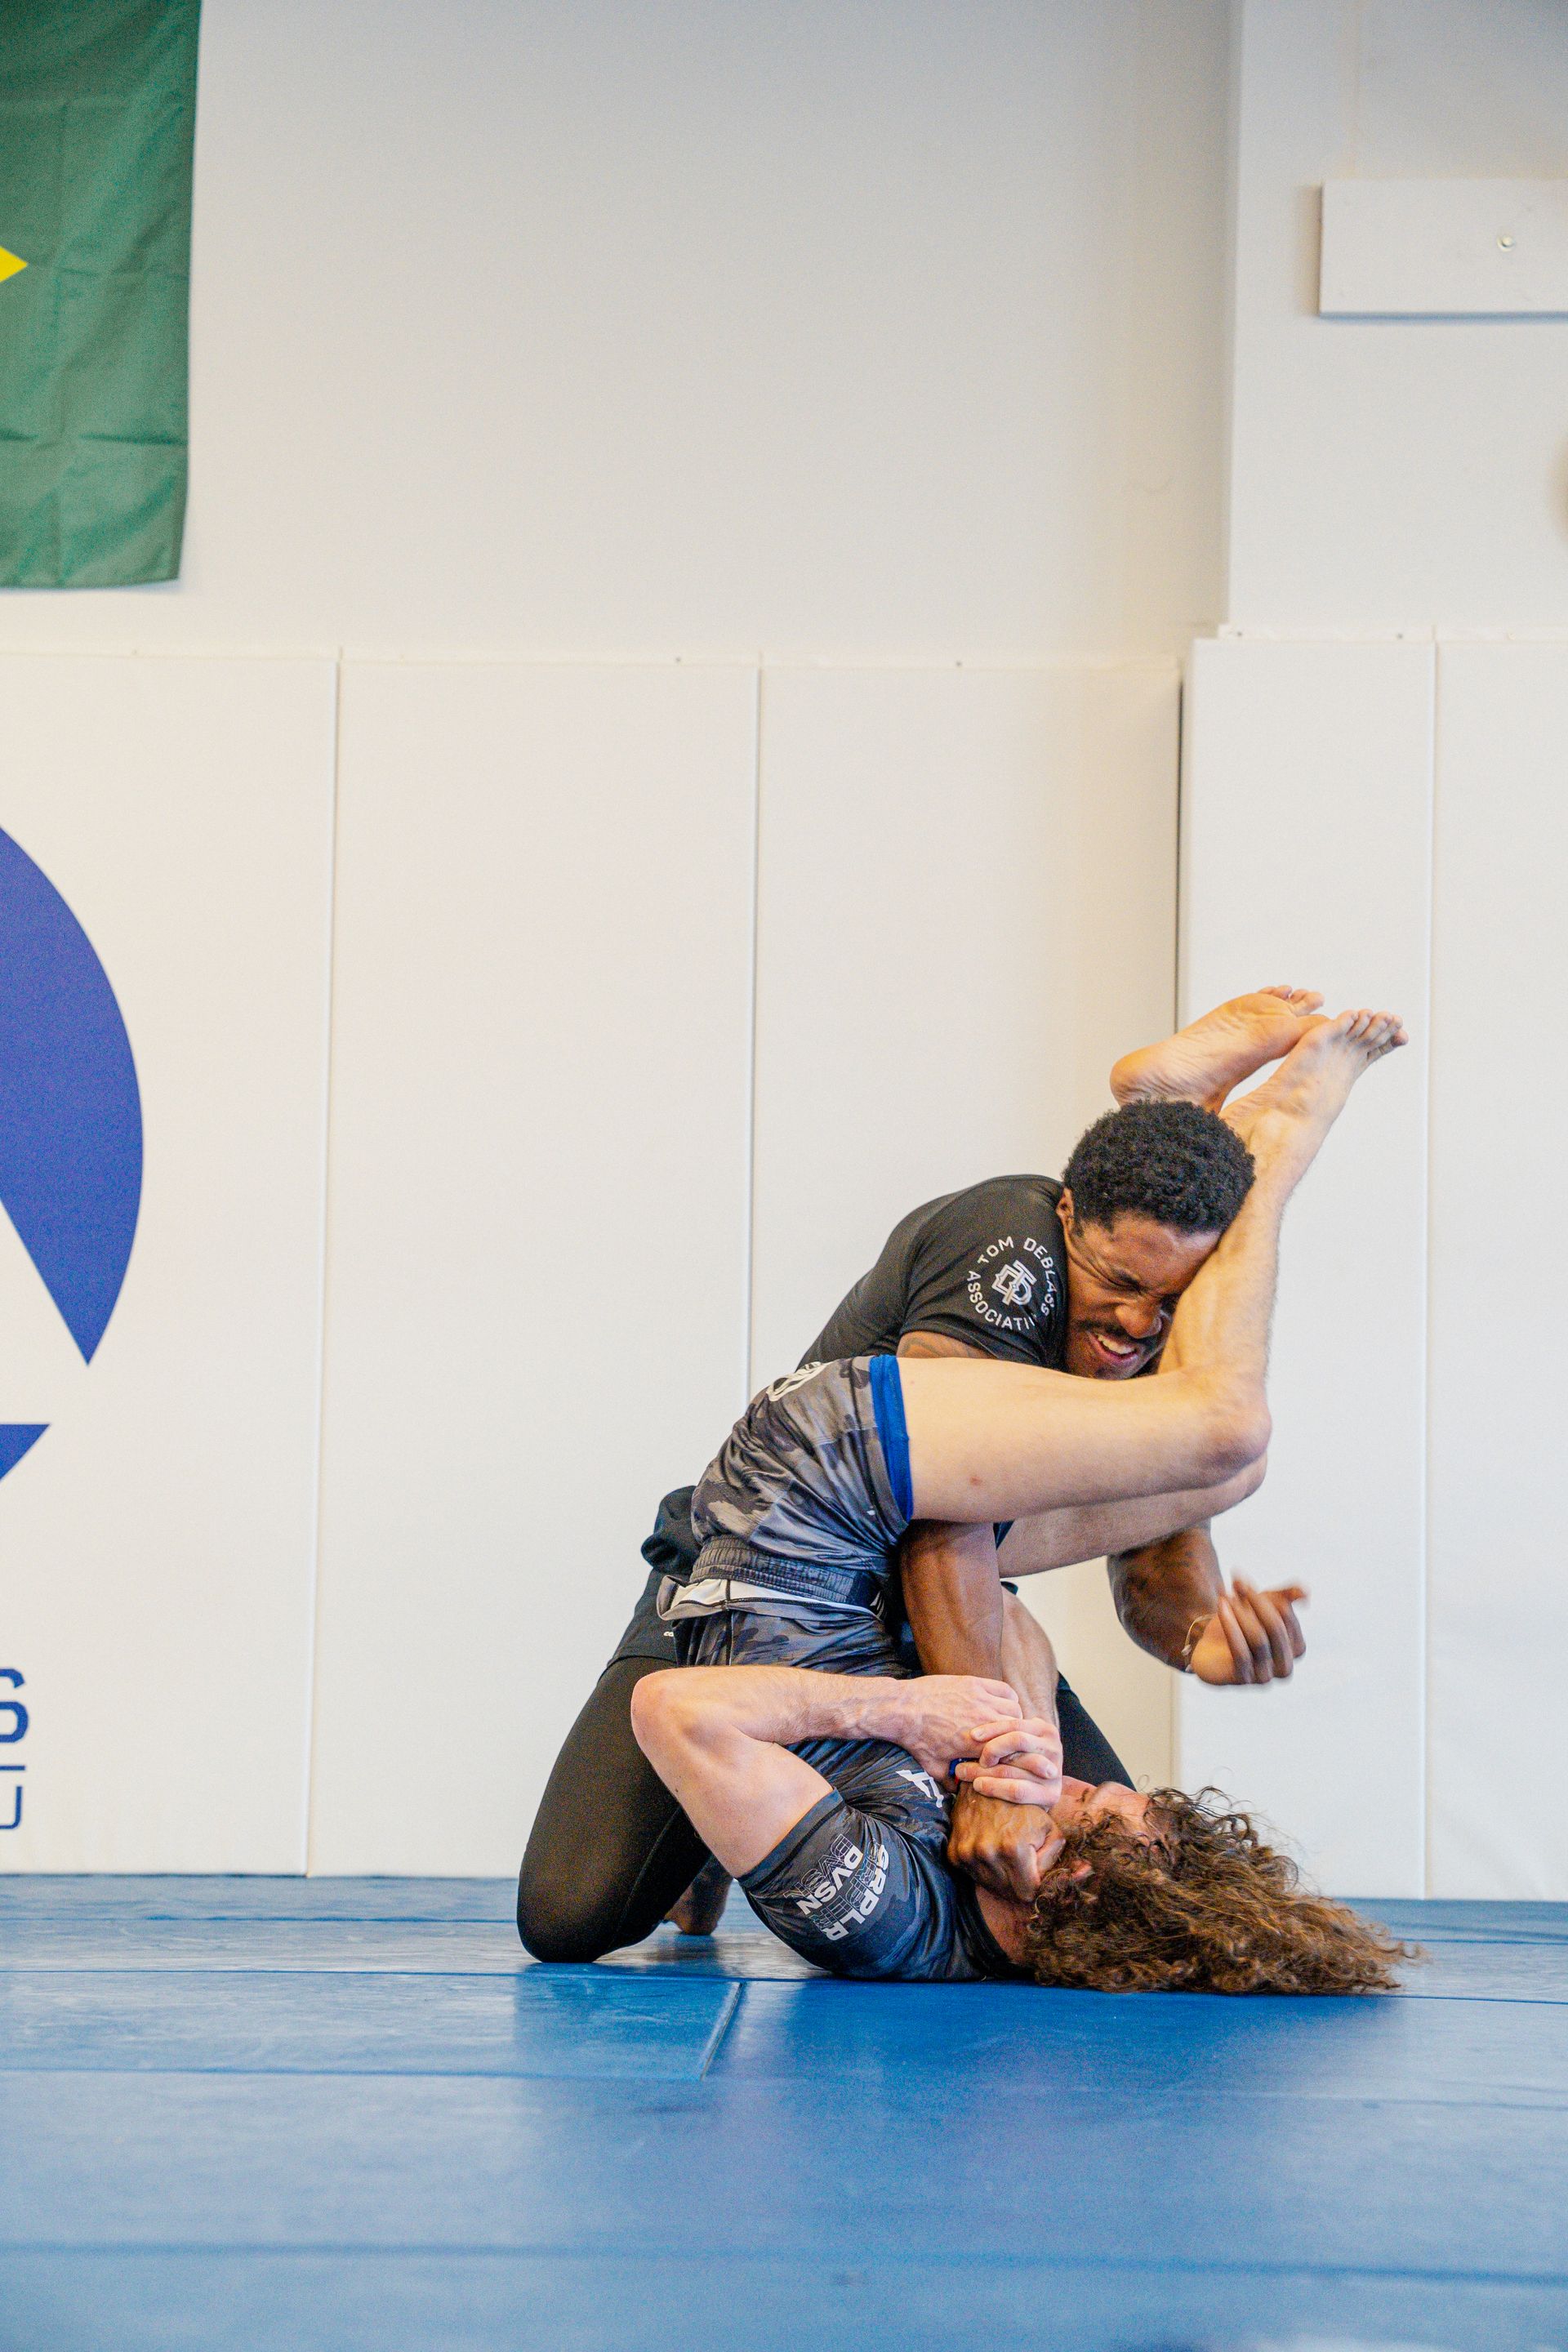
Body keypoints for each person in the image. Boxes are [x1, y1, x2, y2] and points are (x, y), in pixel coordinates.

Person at [516, 993, 1348, 1962]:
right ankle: (1257, 1141)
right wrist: (999, 1766)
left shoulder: (1145, 1346)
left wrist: (1201, 1638)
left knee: (1115, 1913)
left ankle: (752, 1790)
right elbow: (942, 1520)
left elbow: (1148, 1571)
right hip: (795, 1552)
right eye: (1118, 1287)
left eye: (1168, 1302)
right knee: (1230, 1439)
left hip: (912, 1609)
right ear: (1075, 1219)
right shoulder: (1012, 1243)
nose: (1135, 1325)